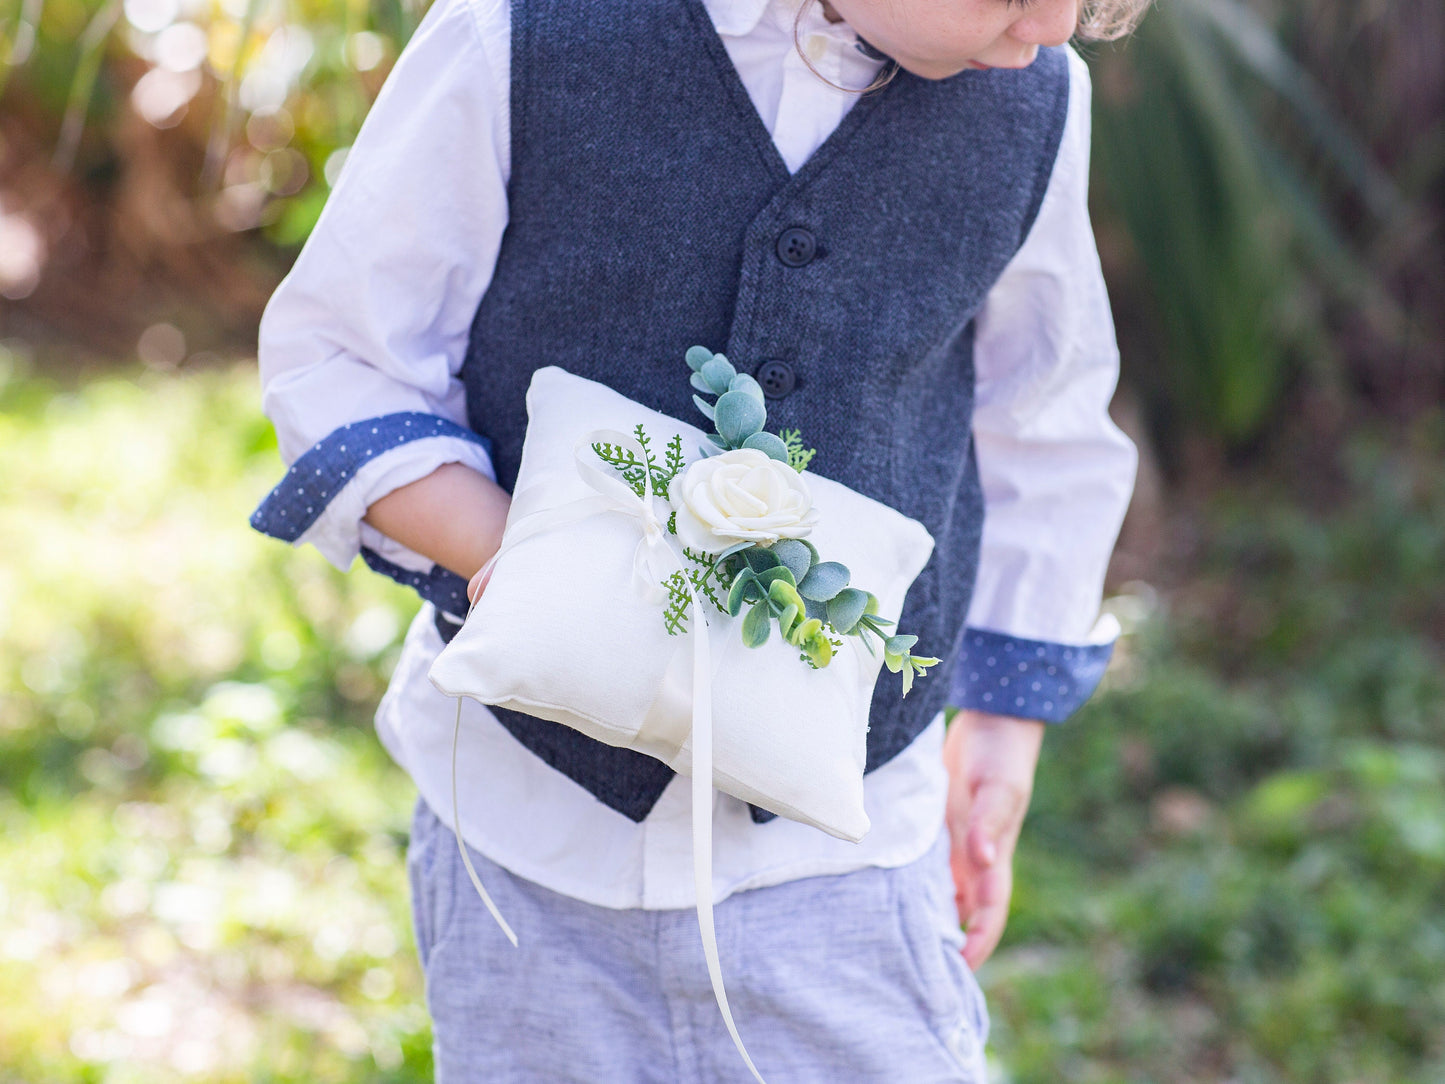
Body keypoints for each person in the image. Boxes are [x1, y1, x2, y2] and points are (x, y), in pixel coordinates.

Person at [250, 0, 1144, 1078]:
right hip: (531, 849)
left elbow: (1039, 417)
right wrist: (520, 557)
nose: (1051, 26)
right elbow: (341, 356)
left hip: (847, 862)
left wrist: (1003, 728)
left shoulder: (1034, 101)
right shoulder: (521, 34)